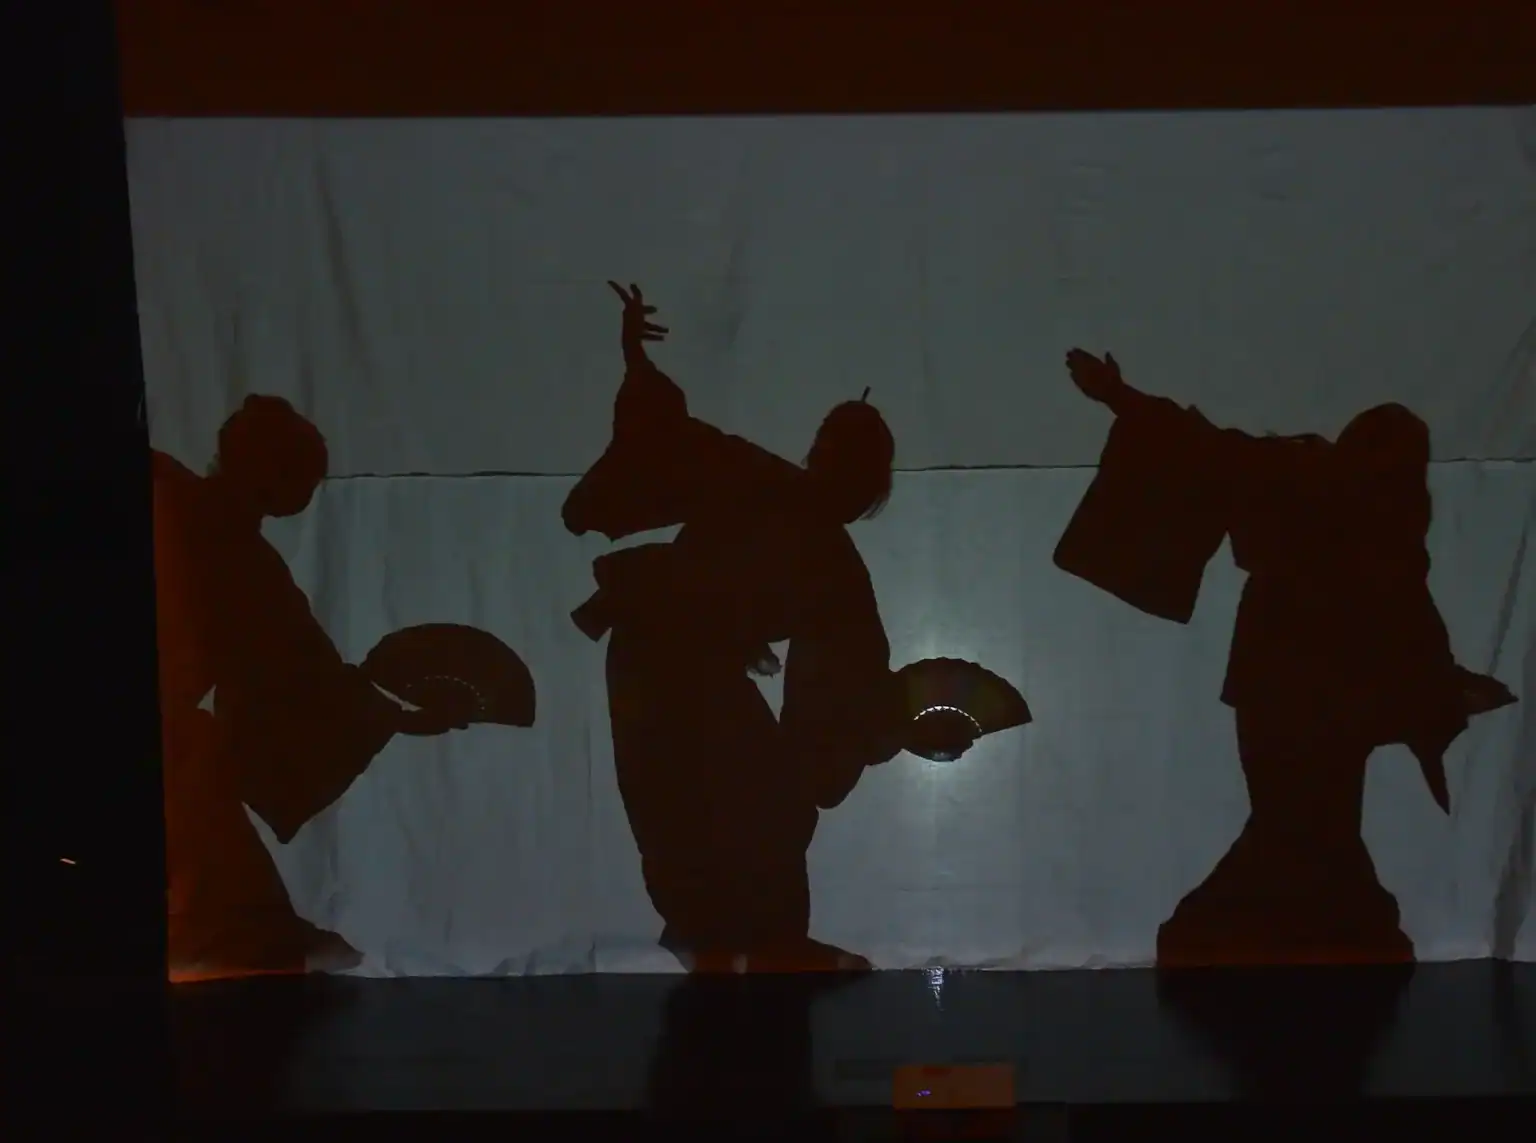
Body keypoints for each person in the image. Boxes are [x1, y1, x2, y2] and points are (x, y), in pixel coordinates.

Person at [1061, 348, 1515, 966]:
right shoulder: (1324, 488)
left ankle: (1277, 941)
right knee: (1301, 826)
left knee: (1304, 827)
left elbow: (1202, 447)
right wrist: (1118, 394)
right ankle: (1294, 941)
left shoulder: (1347, 503)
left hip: (1300, 689)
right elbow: (1203, 447)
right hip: (1292, 688)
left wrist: (1440, 685)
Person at [563, 284, 911, 972]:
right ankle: (733, 941)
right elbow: (674, 440)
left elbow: (849, 671)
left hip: (666, 655)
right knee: (707, 800)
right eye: (841, 457)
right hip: (659, 652)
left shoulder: (823, 550)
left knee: (736, 799)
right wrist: (634, 357)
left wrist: (901, 721)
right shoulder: (779, 497)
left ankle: (737, 941)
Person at [154, 395, 475, 980]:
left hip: (172, 747)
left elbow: (307, 675)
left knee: (230, 908)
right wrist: (394, 713)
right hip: (170, 753)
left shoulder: (173, 497)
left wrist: (394, 713)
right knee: (226, 922)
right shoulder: (237, 558)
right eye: (303, 473)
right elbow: (308, 678)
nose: (309, 489)